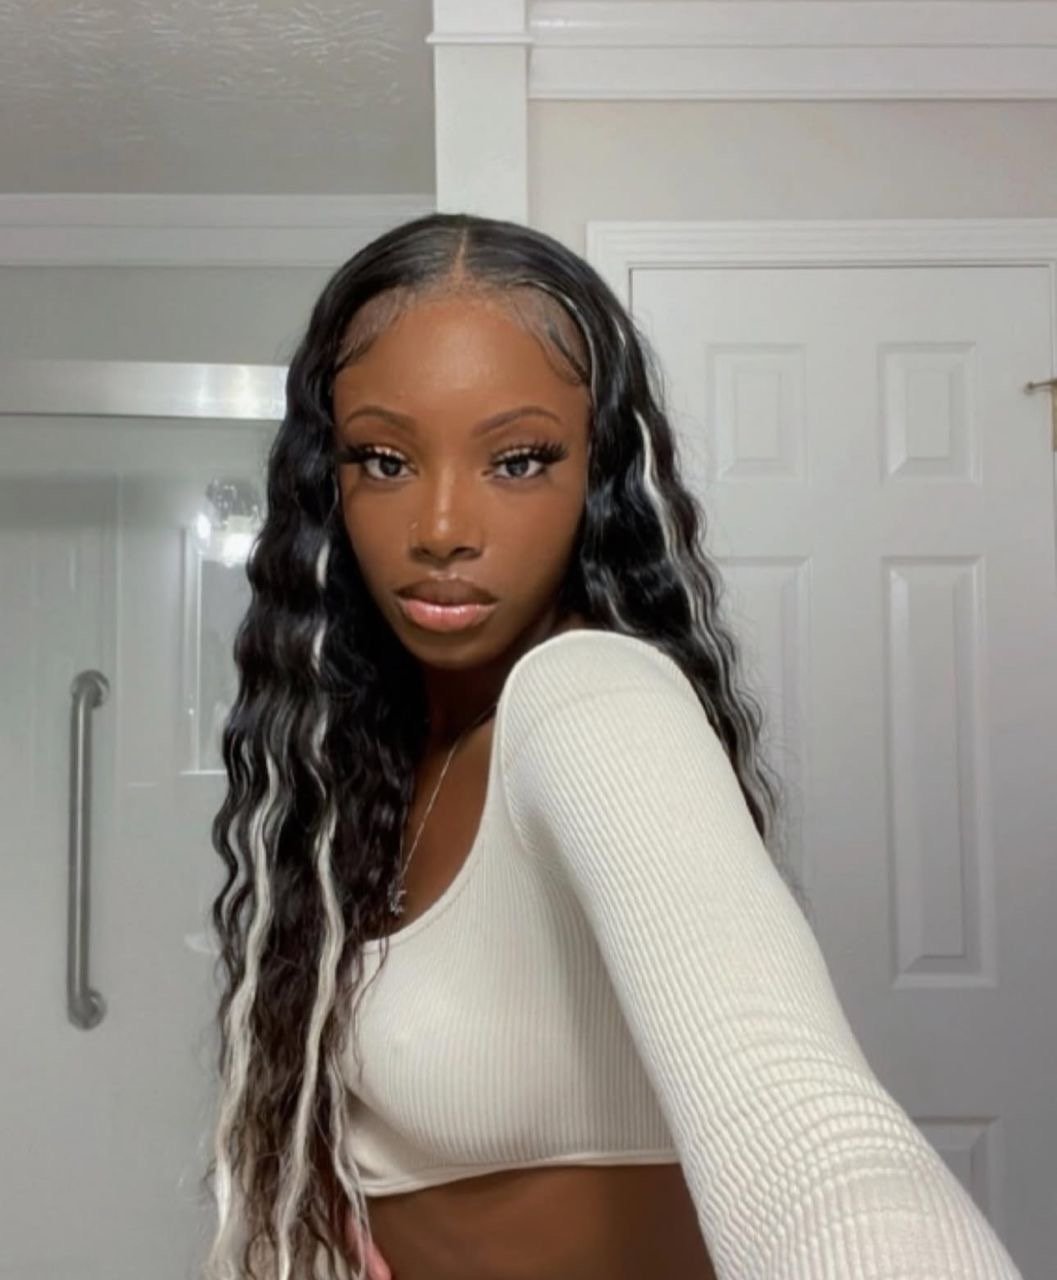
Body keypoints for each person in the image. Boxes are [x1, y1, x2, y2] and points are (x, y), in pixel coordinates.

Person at [201, 212, 1023, 1280]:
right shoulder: (374, 759)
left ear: (594, 473)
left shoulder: (590, 697)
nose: (441, 527)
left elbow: (809, 1127)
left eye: (517, 460)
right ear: (329, 479)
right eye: (385, 459)